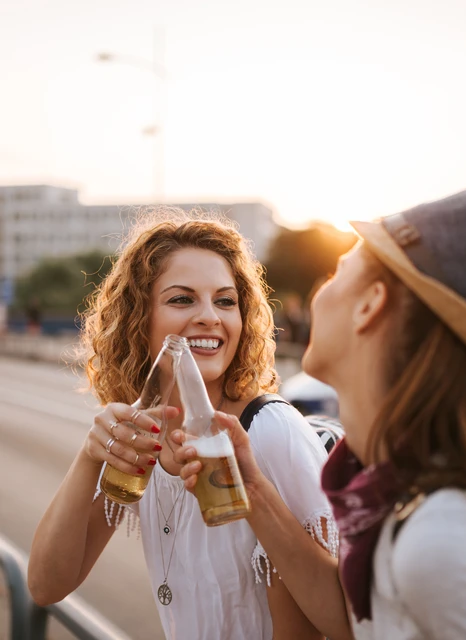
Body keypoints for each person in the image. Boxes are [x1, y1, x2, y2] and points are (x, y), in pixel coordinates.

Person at [176, 190, 466, 640]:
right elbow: (353, 622)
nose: (319, 291)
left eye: (338, 270)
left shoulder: (446, 542)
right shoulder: (395, 490)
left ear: (370, 304)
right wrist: (252, 489)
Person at [28, 208, 337, 640]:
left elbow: (335, 621)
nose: (210, 316)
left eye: (225, 301)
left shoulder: (268, 431)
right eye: (182, 298)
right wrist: (88, 456)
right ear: (139, 317)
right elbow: (46, 585)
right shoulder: (140, 438)